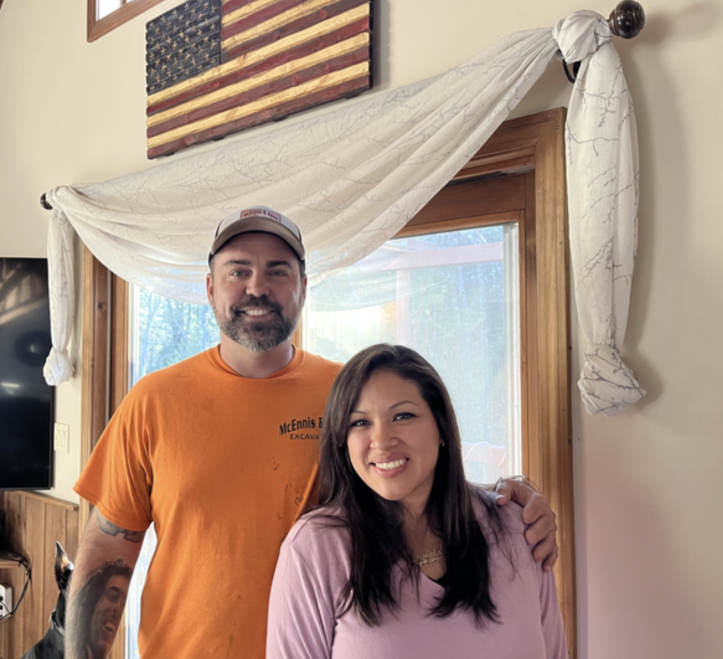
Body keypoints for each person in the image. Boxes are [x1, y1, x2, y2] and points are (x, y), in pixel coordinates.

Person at [66, 206, 559, 659]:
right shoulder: (153, 401)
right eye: (238, 270)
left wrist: (508, 501)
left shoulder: (349, 397)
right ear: (210, 287)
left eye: (278, 271)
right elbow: (109, 546)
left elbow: (416, 481)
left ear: (303, 286)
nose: (257, 287)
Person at [266, 344, 566, 658]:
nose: (382, 440)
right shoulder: (317, 549)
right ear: (342, 440)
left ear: (441, 428)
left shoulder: (519, 529)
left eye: (403, 416)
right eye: (360, 422)